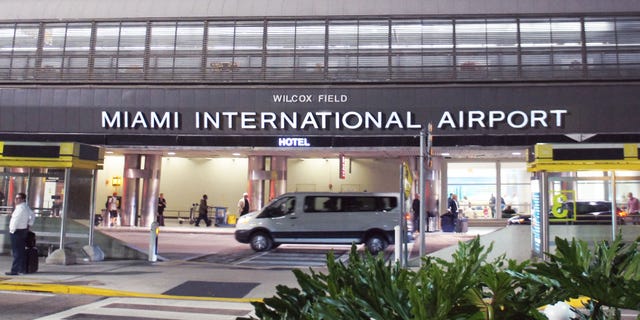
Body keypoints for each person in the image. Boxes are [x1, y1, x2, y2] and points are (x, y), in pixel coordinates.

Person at [6, 192, 35, 275]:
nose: (16, 200)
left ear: (22, 199)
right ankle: (22, 269)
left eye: (18, 198)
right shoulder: (25, 207)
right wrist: (29, 224)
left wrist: (12, 230)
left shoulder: (20, 208)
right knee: (21, 251)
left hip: (17, 231)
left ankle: (15, 270)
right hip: (22, 231)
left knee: (17, 252)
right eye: (16, 198)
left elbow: (16, 220)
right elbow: (32, 215)